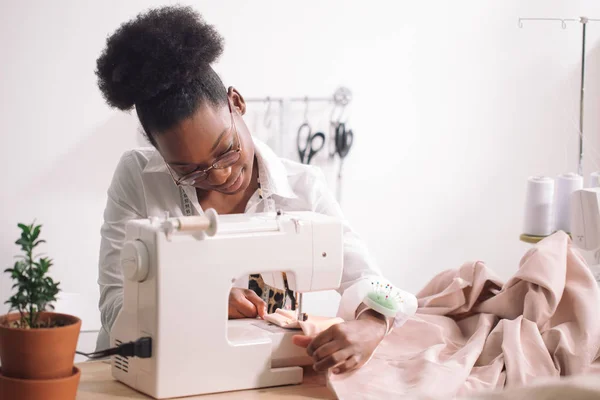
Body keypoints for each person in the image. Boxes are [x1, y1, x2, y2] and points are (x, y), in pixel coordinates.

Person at [95, 5, 416, 375]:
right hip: (158, 372)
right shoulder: (138, 177)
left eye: (226, 150)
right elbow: (115, 306)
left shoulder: (302, 188)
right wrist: (206, 302)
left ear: (237, 103)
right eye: (189, 170)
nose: (218, 176)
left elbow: (364, 276)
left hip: (258, 375)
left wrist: (373, 324)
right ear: (158, 151)